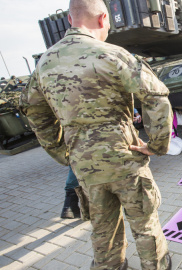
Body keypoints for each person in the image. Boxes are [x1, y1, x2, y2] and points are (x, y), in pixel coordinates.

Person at [19, 0, 172, 269]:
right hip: (126, 160)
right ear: (103, 19)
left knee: (103, 230)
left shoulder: (44, 64)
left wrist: (62, 152)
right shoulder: (113, 54)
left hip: (85, 166)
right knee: (145, 225)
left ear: (69, 19)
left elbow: (34, 112)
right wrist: (157, 146)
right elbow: (156, 97)